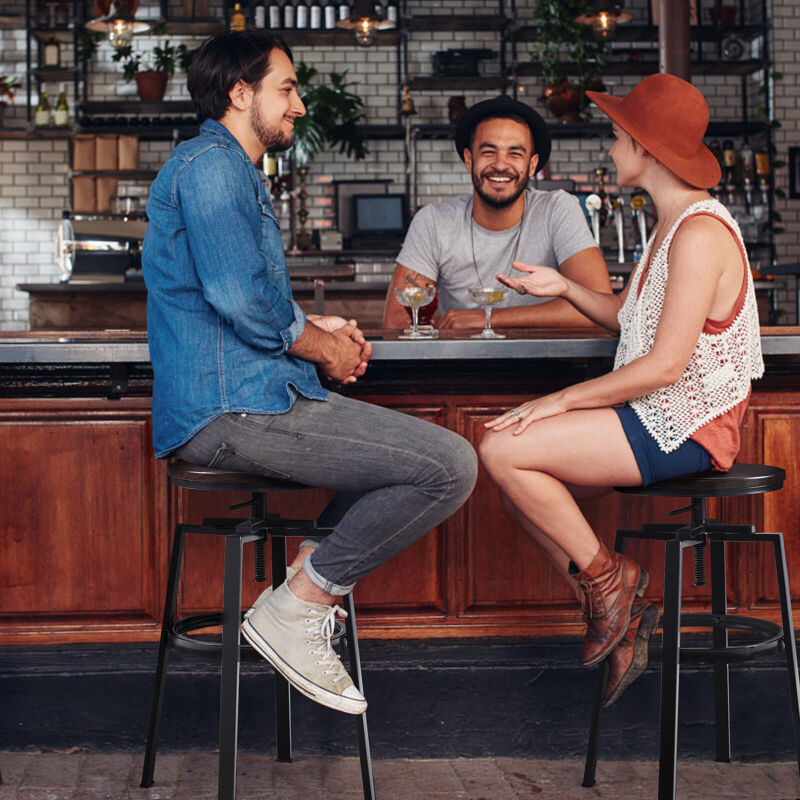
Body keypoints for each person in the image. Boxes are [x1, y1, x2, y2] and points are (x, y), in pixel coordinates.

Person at [142, 30, 477, 716]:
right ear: (242, 93)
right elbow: (236, 296)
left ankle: (304, 582)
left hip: (253, 396)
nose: (298, 105)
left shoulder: (233, 168)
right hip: (229, 409)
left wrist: (318, 331)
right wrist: (320, 347)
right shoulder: (211, 164)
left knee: (430, 463)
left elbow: (252, 293)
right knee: (449, 465)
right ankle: (298, 604)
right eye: (286, 89)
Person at [478, 74, 764, 707]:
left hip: (685, 425)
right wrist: (566, 288)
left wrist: (556, 401)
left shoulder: (698, 234)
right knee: (514, 476)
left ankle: (614, 580)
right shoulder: (671, 225)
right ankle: (618, 607)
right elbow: (632, 321)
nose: (610, 148)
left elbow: (665, 366)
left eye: (616, 136)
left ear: (644, 146)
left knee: (502, 449)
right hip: (653, 416)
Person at [383, 95, 612, 330]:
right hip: (460, 364)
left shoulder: (558, 209)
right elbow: (397, 321)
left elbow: (600, 308)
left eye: (515, 153)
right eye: (488, 152)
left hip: (550, 363)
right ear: (469, 160)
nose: (501, 165)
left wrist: (487, 320)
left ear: (532, 165)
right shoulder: (434, 222)